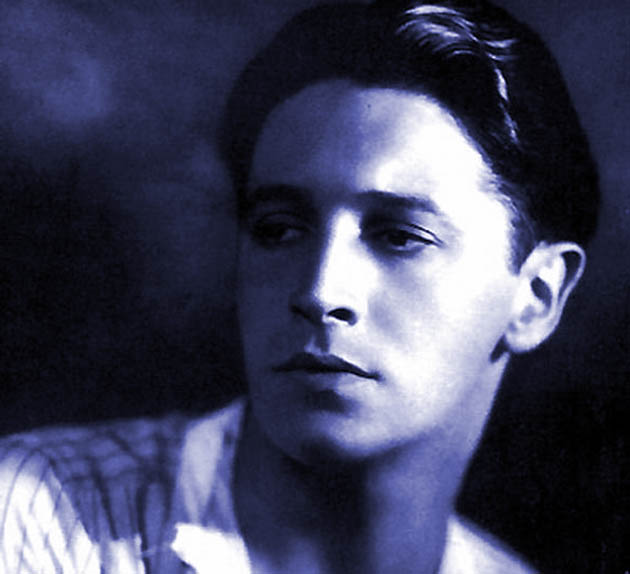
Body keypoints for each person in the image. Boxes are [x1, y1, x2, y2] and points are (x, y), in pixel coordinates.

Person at [0, 1, 599, 573]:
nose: (319, 291)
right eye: (279, 229)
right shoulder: (32, 513)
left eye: (399, 237)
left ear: (537, 297)